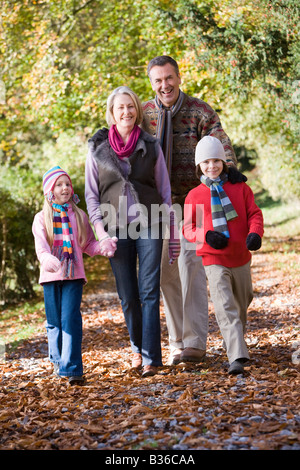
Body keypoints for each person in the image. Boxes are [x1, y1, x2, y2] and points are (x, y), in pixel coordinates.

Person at [142, 55, 243, 366]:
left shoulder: (199, 111)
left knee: (190, 267)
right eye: (158, 80)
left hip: (193, 202)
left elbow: (220, 141)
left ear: (178, 77)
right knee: (166, 274)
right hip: (157, 204)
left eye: (168, 78)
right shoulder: (145, 113)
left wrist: (230, 167)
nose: (164, 85)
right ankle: (176, 342)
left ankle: (195, 343)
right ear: (152, 83)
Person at [85, 86, 178, 377]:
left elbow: (164, 189)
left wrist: (172, 231)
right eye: (120, 108)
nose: (126, 112)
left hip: (151, 222)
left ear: (137, 110)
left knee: (149, 290)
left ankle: (152, 359)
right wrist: (100, 231)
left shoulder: (151, 145)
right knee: (127, 294)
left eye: (131, 107)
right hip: (114, 229)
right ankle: (137, 348)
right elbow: (90, 195)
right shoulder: (98, 150)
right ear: (111, 114)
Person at [183, 136, 264, 374]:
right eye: (206, 162)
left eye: (216, 160)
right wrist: (206, 236)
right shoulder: (194, 195)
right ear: (199, 166)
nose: (212, 166)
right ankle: (236, 357)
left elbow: (254, 214)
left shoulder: (240, 188)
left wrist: (255, 234)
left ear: (223, 161)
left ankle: (233, 340)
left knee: (242, 301)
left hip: (240, 256)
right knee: (225, 306)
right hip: (213, 259)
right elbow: (188, 228)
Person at [32, 166, 103, 385]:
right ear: (49, 191)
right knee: (54, 323)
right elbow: (41, 247)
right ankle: (57, 359)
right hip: (51, 277)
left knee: (70, 319)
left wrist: (103, 247)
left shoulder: (79, 216)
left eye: (67, 184)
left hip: (74, 276)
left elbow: (88, 243)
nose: (65, 188)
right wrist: (46, 259)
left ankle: (72, 370)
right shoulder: (42, 218)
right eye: (59, 184)